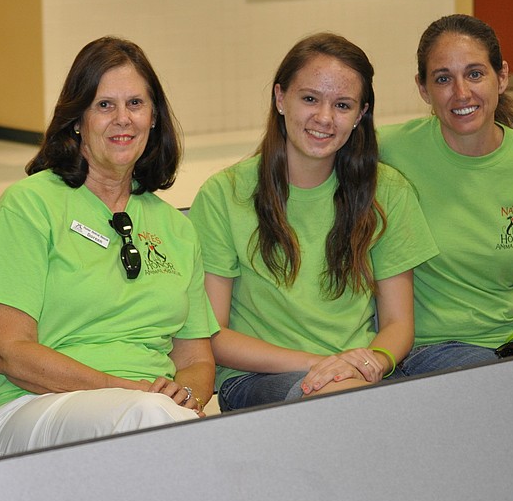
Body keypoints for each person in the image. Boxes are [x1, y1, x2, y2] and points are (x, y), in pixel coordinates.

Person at [0, 36, 218, 456]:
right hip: (31, 408)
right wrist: (134, 392)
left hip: (151, 415)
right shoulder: (30, 205)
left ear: (154, 117)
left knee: (160, 429)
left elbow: (197, 360)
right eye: (105, 105)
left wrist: (183, 397)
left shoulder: (175, 229)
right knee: (156, 428)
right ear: (77, 118)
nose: (123, 119)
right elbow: (7, 351)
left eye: (136, 104)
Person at [187, 33, 438, 412]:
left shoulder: (387, 192)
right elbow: (214, 334)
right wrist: (321, 366)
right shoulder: (225, 194)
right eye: (309, 99)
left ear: (361, 114)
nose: (324, 117)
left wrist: (376, 360)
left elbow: (398, 323)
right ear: (279, 98)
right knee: (354, 408)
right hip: (258, 377)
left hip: (357, 374)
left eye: (342, 105)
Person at [378, 14, 513, 377]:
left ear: (501, 77)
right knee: (499, 388)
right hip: (430, 345)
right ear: (423, 88)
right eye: (443, 79)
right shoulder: (390, 151)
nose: (461, 93)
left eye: (475, 74)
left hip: (512, 335)